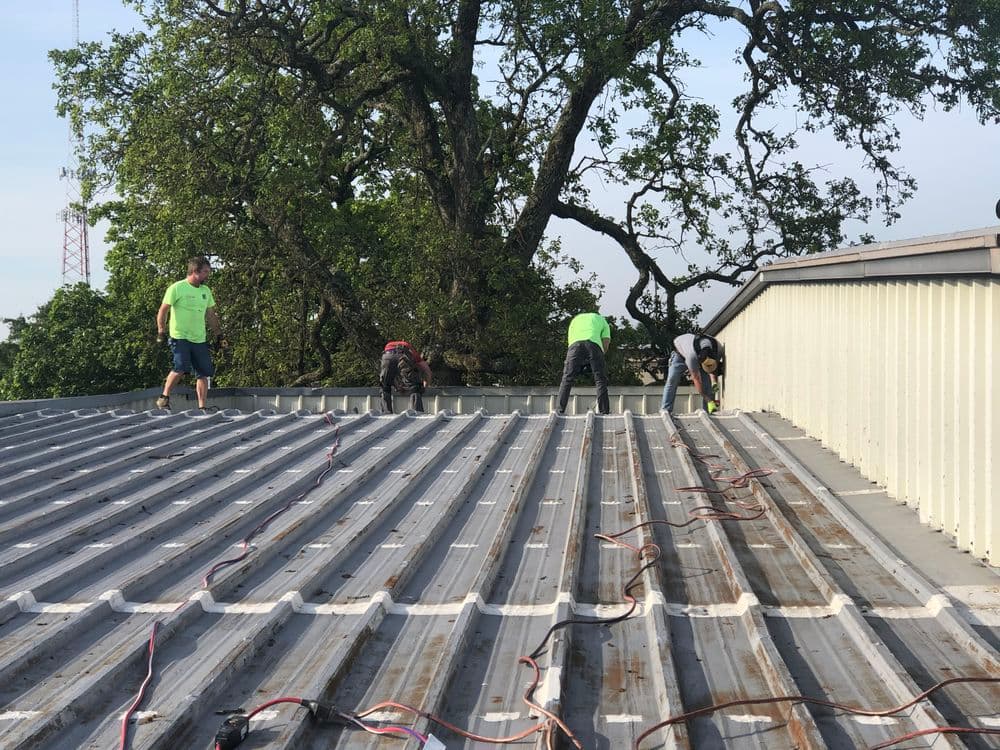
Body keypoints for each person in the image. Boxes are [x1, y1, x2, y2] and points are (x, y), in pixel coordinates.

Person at [155, 256, 224, 411]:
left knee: (203, 373)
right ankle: (164, 397)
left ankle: (202, 406)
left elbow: (211, 315)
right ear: (195, 271)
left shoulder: (205, 291)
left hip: (199, 338)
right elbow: (163, 310)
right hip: (180, 337)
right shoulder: (177, 288)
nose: (208, 275)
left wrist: (219, 334)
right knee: (180, 366)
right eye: (205, 272)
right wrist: (161, 331)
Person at [557, 311, 611, 415]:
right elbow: (605, 343)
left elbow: (572, 344)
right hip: (594, 345)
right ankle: (604, 411)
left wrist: (580, 363)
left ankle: (559, 410)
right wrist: (598, 359)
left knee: (567, 378)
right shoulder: (603, 321)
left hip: (574, 346)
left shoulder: (575, 320)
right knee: (600, 379)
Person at [661, 332, 724, 414]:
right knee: (672, 380)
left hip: (696, 351)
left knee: (708, 385)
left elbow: (712, 370)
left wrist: (714, 383)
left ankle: (709, 411)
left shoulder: (718, 348)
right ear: (700, 362)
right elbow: (696, 378)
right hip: (680, 355)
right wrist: (708, 399)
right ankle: (666, 409)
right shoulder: (692, 356)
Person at [380, 340, 432, 413]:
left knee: (385, 386)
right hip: (404, 353)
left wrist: (398, 387)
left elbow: (393, 376)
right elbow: (427, 370)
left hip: (387, 355)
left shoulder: (390, 345)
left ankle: (385, 412)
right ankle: (416, 412)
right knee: (415, 386)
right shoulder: (415, 355)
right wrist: (425, 386)